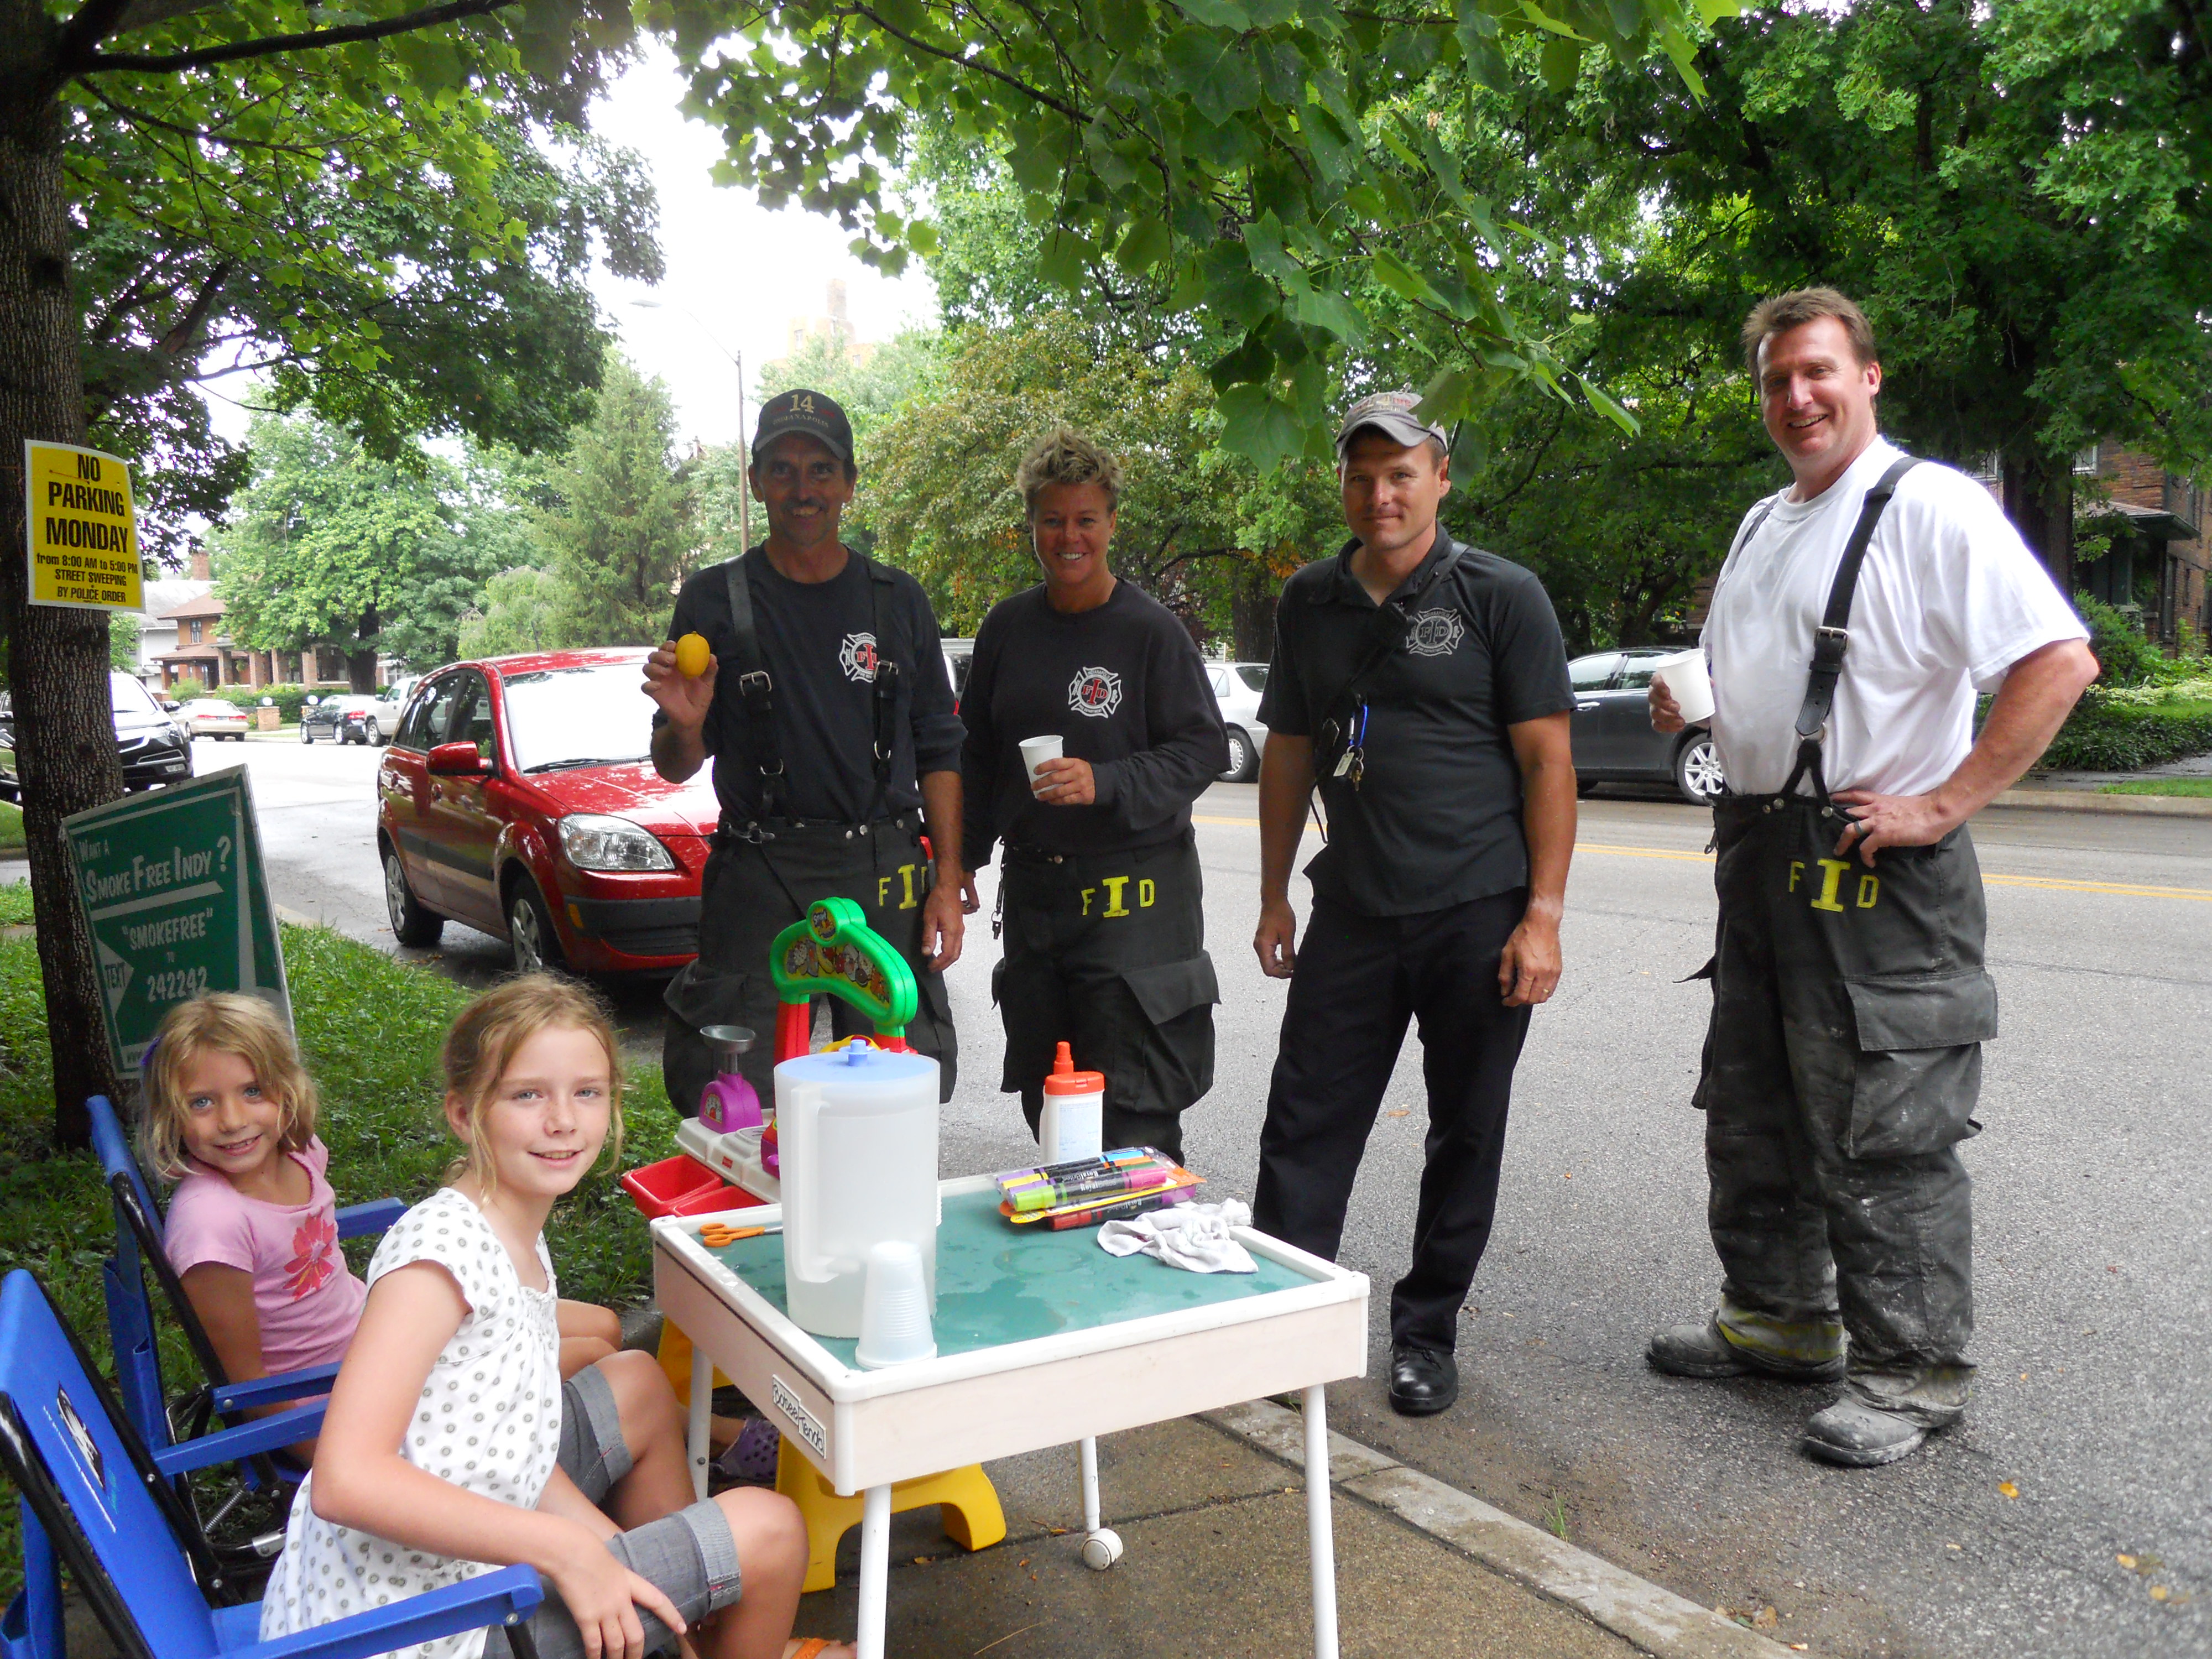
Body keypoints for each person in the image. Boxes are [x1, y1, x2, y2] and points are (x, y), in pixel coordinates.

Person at [1646, 288, 2098, 1468]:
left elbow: (2057, 660)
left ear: (1866, 377)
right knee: (1753, 1105)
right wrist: (1693, 696)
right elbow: (1766, 660)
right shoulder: (1762, 521)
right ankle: (1779, 1324)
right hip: (1756, 854)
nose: (1794, 397)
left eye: (1814, 372)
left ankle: (1909, 1373)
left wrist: (1945, 801)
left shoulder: (1929, 505)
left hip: (1875, 867)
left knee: (1882, 1125)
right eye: (1773, 380)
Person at [261, 974, 853, 1659]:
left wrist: (600, 1555)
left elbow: (513, 1440)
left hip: (468, 1552)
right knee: (771, 1529)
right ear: (464, 1114)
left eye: (587, 1092)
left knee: (634, 1379)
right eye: (527, 1095)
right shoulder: (435, 1260)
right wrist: (564, 1550)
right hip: (422, 1626)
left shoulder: (511, 1223)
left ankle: (689, 1630)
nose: (563, 1120)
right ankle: (721, 1617)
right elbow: (345, 1479)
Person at [1250, 390, 1578, 1418]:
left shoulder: (1502, 594)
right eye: (1362, 475)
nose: (1380, 493)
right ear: (1341, 484)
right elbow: (1290, 756)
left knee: (1466, 1131)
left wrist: (1545, 915)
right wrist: (1271, 895)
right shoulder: (1309, 600)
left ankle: (1425, 1333)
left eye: (1401, 474)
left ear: (1442, 476)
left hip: (1478, 913)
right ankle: (1286, 1333)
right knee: (1305, 1124)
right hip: (1352, 907)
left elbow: (1548, 763)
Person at [644, 390, 964, 1115]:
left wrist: (945, 881)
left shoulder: (898, 601)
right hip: (760, 870)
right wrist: (688, 724)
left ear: (849, 483)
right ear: (757, 481)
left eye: (821, 471)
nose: (803, 490)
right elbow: (675, 764)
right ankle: (749, 1224)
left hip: (881, 870)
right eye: (783, 470)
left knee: (897, 1092)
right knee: (731, 1095)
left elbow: (940, 749)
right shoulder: (712, 600)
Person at [143, 992, 623, 1463]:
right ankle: (523, 1468)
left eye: (252, 1092)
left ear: (285, 1089)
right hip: (332, 1399)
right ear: (172, 1113)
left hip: (369, 1331)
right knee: (598, 1357)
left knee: (606, 1327)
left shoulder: (298, 1154)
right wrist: (327, 1457)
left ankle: (555, 1456)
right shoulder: (212, 1226)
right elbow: (245, 1381)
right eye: (201, 1103)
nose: (232, 1120)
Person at [957, 429, 1229, 1162]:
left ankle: (1147, 1264)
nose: (1069, 537)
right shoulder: (1007, 629)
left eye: (1085, 519)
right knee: (1054, 1108)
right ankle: (1074, 1269)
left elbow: (1202, 748)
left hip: (1138, 912)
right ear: (1032, 526)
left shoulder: (1151, 633)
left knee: (1135, 1122)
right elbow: (977, 755)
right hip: (1039, 912)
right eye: (1053, 519)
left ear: (1111, 523)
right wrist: (959, 860)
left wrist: (1104, 781)